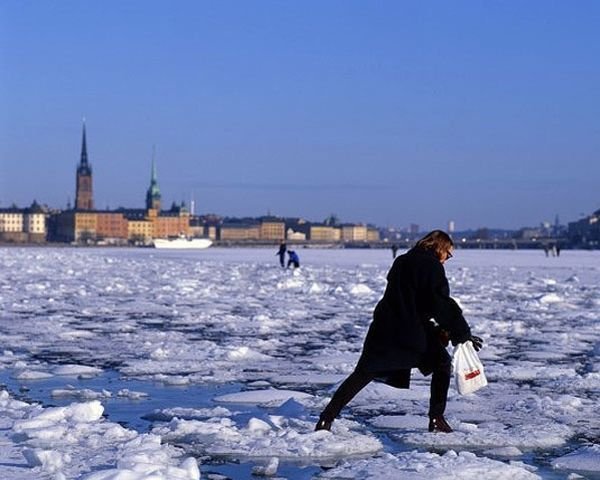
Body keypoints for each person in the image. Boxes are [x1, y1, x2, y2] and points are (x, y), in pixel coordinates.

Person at [315, 230, 482, 434]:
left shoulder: (402, 260)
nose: (447, 259)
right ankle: (436, 419)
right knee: (442, 365)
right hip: (410, 331)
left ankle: (326, 419)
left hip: (386, 327)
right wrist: (461, 333)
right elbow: (439, 304)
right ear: (440, 248)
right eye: (448, 253)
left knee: (363, 373)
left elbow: (415, 300)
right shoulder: (432, 267)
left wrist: (445, 331)